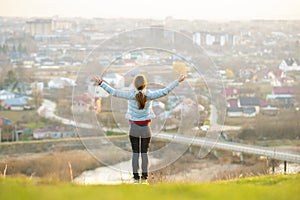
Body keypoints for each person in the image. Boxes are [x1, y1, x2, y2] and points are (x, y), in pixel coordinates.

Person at [94, 74, 186, 184]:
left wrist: (101, 83)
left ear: (134, 84)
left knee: (135, 154)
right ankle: (144, 179)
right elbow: (165, 91)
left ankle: (136, 179)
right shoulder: (150, 95)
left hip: (134, 129)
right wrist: (178, 81)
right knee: (144, 154)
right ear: (145, 84)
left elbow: (113, 92)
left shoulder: (130, 95)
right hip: (146, 129)